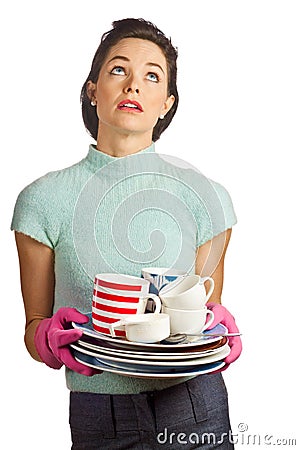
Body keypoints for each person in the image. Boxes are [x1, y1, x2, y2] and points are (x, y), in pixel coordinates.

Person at [11, 18, 242, 449]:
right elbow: (34, 329)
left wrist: (218, 330)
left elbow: (206, 313)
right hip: (100, 415)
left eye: (151, 76)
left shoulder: (206, 197)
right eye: (119, 70)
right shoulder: (42, 201)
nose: (134, 85)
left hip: (194, 403)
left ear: (166, 103)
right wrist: (47, 338)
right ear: (92, 89)